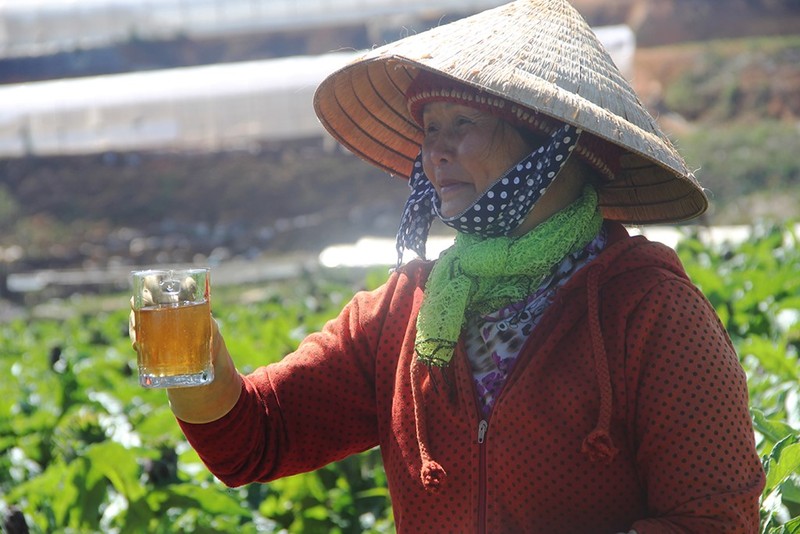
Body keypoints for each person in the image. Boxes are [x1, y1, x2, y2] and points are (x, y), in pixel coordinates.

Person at [143, 0, 766, 531]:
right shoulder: (402, 312)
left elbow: (714, 520)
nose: (434, 153)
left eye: (464, 123)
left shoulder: (650, 313)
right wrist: (192, 361)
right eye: (429, 127)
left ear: (555, 148)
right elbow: (255, 439)